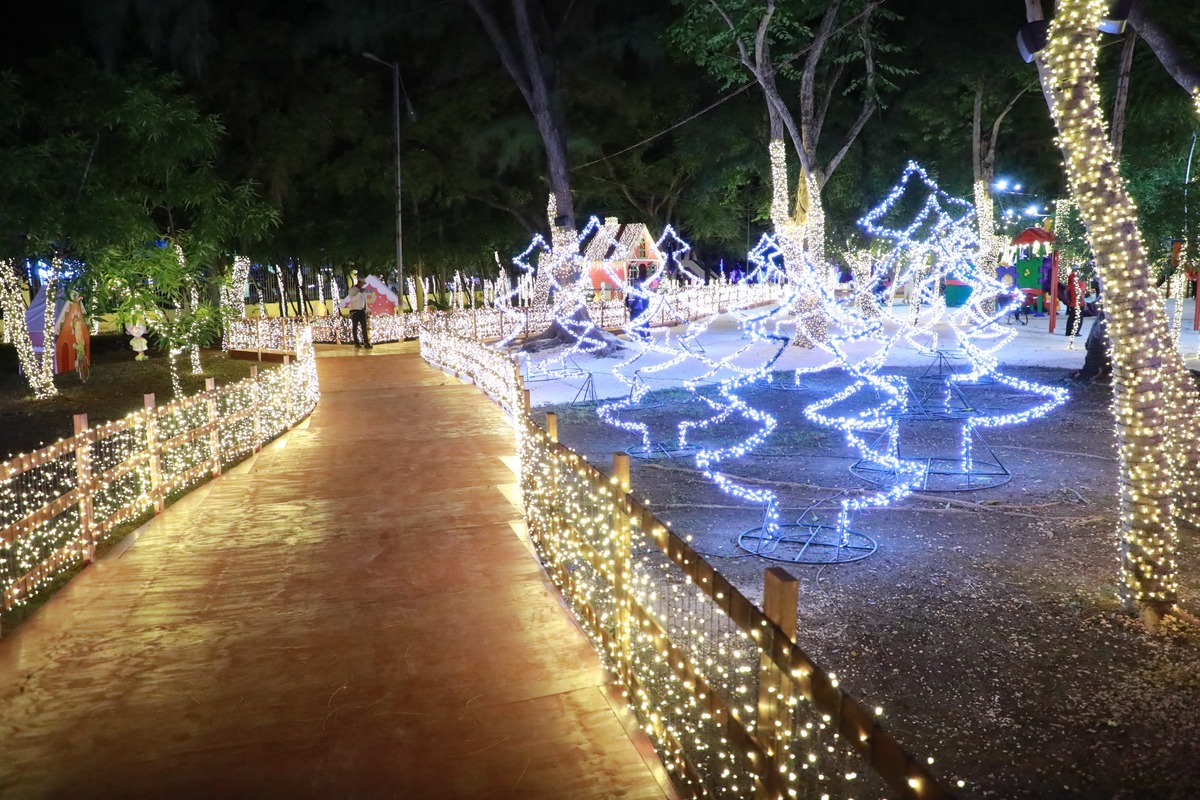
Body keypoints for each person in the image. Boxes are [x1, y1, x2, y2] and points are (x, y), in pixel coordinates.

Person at [345, 280, 372, 348]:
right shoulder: (352, 290)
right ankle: (356, 343)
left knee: (364, 327)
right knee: (355, 327)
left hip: (362, 310)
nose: (362, 285)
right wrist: (359, 293)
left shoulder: (362, 290)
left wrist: (367, 310)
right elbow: (353, 299)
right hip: (355, 311)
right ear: (359, 283)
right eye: (362, 283)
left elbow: (364, 301)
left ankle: (366, 343)